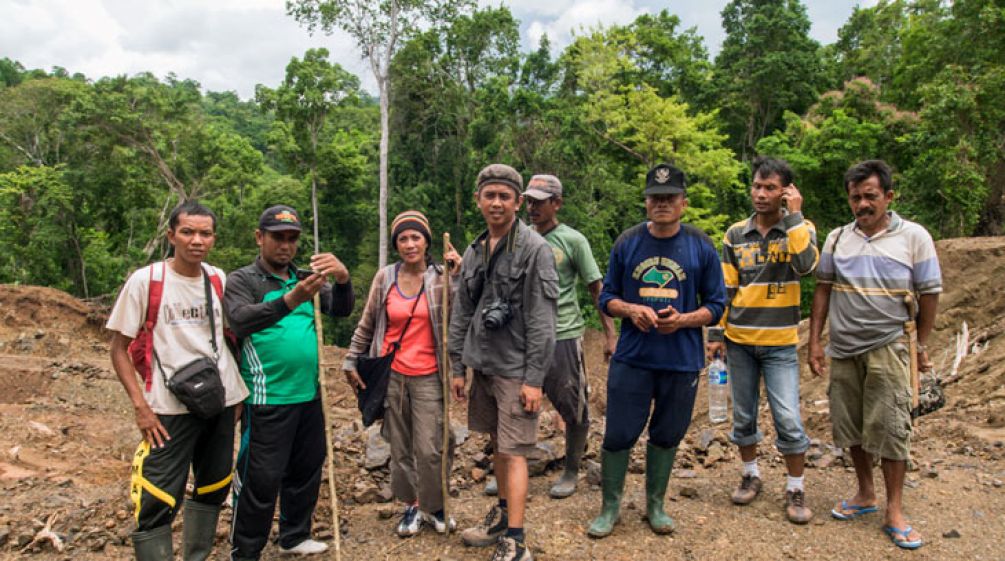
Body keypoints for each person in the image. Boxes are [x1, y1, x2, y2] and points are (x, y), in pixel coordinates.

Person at [588, 163, 726, 538]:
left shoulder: (700, 245)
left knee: (667, 433)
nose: (661, 203)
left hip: (681, 360)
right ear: (646, 203)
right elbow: (607, 297)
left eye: (669, 198)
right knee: (618, 433)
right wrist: (631, 310)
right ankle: (610, 506)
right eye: (655, 198)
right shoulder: (627, 242)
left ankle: (655, 505)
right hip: (633, 357)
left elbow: (716, 304)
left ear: (683, 203)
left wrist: (682, 319)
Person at [809, 160, 941, 550]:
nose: (862, 204)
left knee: (892, 427)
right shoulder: (836, 238)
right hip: (845, 347)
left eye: (870, 196)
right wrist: (815, 342)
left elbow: (930, 293)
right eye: (855, 197)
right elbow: (823, 290)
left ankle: (894, 510)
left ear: (888, 196)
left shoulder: (914, 237)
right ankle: (865, 493)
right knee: (849, 425)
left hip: (889, 346)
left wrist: (920, 344)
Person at [107, 200, 249, 561]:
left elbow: (232, 338)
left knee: (214, 485)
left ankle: (196, 555)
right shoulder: (147, 281)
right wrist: (141, 407)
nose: (196, 240)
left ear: (214, 238)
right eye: (187, 232)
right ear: (171, 235)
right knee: (156, 496)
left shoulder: (218, 278)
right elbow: (118, 348)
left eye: (205, 233)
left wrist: (237, 399)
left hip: (220, 401)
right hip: (167, 408)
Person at [224, 205, 354, 560]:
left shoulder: (304, 276)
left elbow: (340, 310)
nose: (285, 245)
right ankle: (245, 550)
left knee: (306, 468)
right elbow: (239, 321)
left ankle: (294, 535)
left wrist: (343, 280)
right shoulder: (244, 280)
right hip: (268, 397)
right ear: (259, 237)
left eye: (292, 238)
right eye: (277, 237)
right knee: (260, 479)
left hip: (311, 395)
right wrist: (289, 300)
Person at [449, 164, 558, 561]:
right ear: (478, 199)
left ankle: (517, 539)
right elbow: (462, 309)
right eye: (489, 195)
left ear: (517, 203)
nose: (496, 202)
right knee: (498, 444)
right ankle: (502, 518)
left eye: (505, 196)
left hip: (516, 369)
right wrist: (459, 366)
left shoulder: (534, 249)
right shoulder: (476, 249)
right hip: (485, 365)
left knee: (515, 451)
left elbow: (543, 320)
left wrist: (535, 379)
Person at [706, 157, 818, 524]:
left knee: (788, 417)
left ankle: (795, 486)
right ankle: (751, 474)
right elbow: (726, 287)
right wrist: (715, 335)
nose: (760, 194)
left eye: (770, 188)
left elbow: (805, 267)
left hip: (781, 343)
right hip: (739, 340)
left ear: (787, 192)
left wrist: (795, 218)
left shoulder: (801, 229)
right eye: (757, 186)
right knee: (743, 415)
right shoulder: (735, 234)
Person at [343, 210, 462, 537]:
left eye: (416, 238)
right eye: (403, 239)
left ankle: (435, 505)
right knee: (399, 447)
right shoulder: (385, 278)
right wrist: (351, 359)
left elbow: (464, 315)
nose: (410, 244)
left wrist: (461, 276)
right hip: (391, 375)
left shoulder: (442, 277)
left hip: (429, 376)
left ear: (426, 241)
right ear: (397, 244)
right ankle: (411, 505)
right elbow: (367, 324)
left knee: (431, 446)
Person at [522, 174, 617, 499]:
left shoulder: (572, 240)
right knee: (518, 403)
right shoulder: (517, 238)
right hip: (523, 336)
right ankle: (512, 468)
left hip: (563, 332)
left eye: (539, 201)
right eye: (529, 201)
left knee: (572, 403)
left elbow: (596, 289)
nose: (532, 207)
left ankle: (572, 468)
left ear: (557, 204)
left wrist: (609, 335)